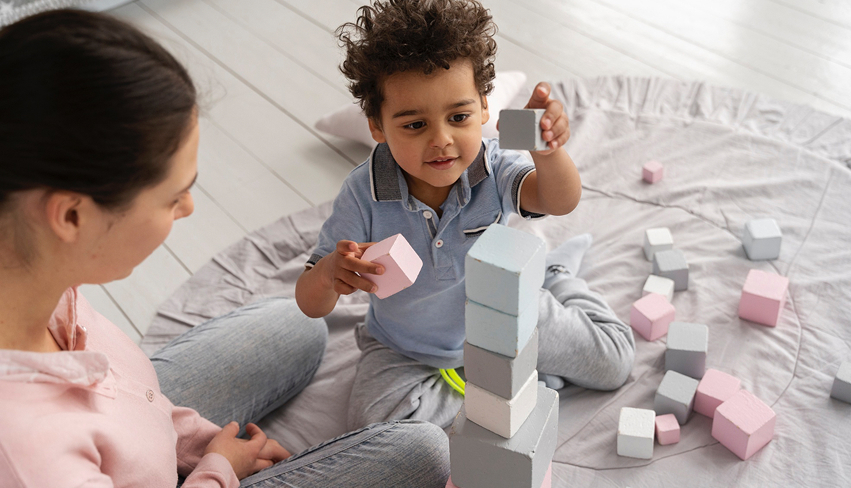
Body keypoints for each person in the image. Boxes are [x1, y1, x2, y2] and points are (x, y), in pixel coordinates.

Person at [0, 9, 449, 488]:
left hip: (131, 433)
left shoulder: (34, 271)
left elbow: (133, 395)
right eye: (173, 196)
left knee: (294, 322)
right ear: (71, 216)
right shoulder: (30, 459)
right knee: (420, 452)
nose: (189, 207)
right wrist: (218, 469)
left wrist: (200, 444)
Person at [295, 0, 636, 431]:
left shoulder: (492, 167)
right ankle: (493, 395)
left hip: (508, 316)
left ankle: (555, 275)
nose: (442, 140)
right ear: (377, 126)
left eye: (459, 117)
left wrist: (547, 151)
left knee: (614, 364)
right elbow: (310, 302)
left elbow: (558, 200)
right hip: (406, 348)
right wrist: (328, 275)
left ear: (484, 108)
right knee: (377, 425)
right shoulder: (362, 193)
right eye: (414, 125)